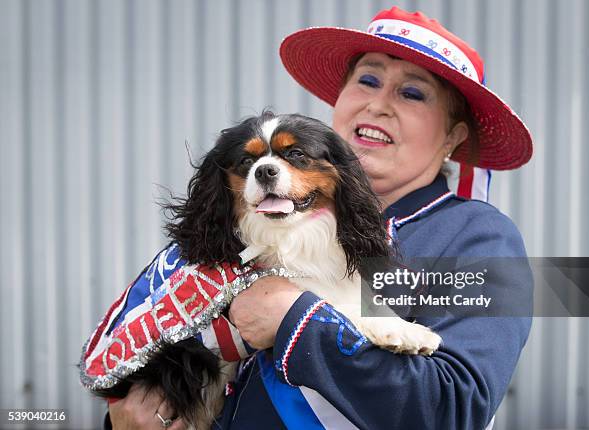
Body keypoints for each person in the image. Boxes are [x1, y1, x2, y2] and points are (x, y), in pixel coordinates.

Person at [107, 6, 533, 429]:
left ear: (453, 137)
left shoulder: (478, 238)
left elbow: (451, 407)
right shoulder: (249, 216)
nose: (379, 103)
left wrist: (294, 319)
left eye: (412, 92)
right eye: (367, 80)